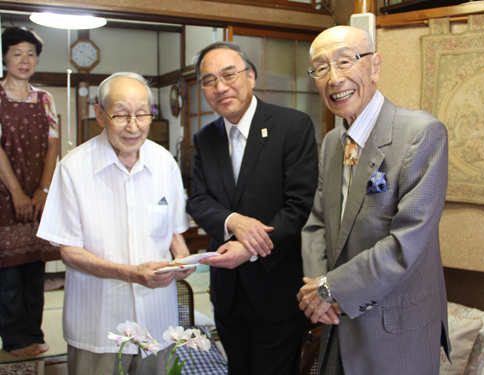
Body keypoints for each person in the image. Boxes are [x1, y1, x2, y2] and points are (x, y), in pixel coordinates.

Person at [297, 26, 450, 375]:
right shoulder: (333, 142)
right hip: (336, 322)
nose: (334, 78)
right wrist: (317, 290)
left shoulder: (421, 134)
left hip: (394, 332)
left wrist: (328, 289)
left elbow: (406, 243)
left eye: (345, 61)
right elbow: (318, 222)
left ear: (375, 66)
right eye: (321, 68)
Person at [37, 72, 194, 375]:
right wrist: (129, 273)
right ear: (100, 114)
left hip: (157, 320)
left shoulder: (164, 163)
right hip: (98, 323)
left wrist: (183, 256)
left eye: (142, 114)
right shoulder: (73, 168)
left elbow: (175, 230)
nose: (133, 126)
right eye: (121, 115)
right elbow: (69, 251)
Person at [186, 41, 318, 375]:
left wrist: (250, 247)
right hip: (227, 289)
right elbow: (198, 199)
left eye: (229, 74)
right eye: (209, 80)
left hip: (276, 286)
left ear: (251, 76)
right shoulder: (205, 137)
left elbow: (300, 204)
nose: (220, 87)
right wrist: (234, 221)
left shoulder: (292, 126)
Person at [0, 26, 60, 357]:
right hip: (4, 197)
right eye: (17, 53)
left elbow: (52, 148)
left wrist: (43, 190)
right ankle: (14, 340)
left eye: (31, 54)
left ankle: (34, 333)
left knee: (35, 270)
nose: (24, 60)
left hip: (39, 197)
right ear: (5, 57)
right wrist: (18, 193)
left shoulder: (45, 99)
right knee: (8, 273)